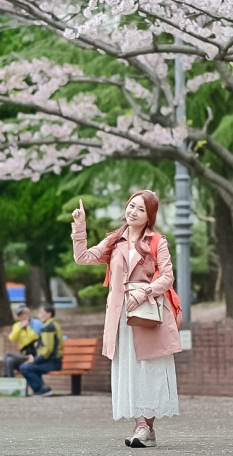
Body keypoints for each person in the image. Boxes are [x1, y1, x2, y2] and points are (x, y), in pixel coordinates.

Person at [71, 190, 181, 449]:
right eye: (131, 206)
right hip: (121, 314)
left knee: (149, 370)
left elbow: (167, 277)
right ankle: (142, 427)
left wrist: (144, 291)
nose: (133, 212)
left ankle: (146, 428)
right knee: (130, 369)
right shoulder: (114, 240)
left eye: (141, 209)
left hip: (148, 312)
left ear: (149, 215)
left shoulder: (157, 241)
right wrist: (80, 226)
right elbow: (82, 257)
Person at [18, 302, 63, 397]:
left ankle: (42, 390)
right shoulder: (55, 324)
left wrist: (35, 359)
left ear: (49, 314)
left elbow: (47, 349)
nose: (38, 315)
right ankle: (42, 388)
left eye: (41, 312)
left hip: (51, 362)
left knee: (25, 367)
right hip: (54, 360)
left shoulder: (48, 328)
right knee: (28, 366)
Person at [2, 305, 43, 378]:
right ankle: (10, 381)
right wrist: (20, 327)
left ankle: (5, 377)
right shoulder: (17, 325)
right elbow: (12, 337)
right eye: (20, 315)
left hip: (33, 354)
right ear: (18, 317)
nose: (23, 316)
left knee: (7, 355)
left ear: (29, 314)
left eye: (25, 313)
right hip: (23, 354)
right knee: (9, 361)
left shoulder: (36, 323)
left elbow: (34, 337)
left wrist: (27, 327)